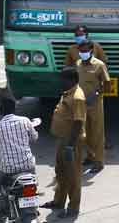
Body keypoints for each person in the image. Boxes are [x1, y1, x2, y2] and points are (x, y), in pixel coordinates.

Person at [41, 67, 86, 219]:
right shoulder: (68, 92)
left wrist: (70, 145)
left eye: (63, 79)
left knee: (73, 176)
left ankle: (73, 208)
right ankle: (58, 201)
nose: (60, 81)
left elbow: (79, 122)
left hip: (71, 141)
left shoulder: (77, 97)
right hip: (62, 139)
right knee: (60, 172)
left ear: (72, 80)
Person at [0, 98, 37, 200]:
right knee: (33, 181)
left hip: (7, 168)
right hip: (28, 165)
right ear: (14, 108)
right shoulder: (25, 121)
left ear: (0, 111)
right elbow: (34, 137)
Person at [76, 40, 110, 173]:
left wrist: (95, 94)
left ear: (91, 51)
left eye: (85, 51)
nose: (83, 53)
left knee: (97, 133)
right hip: (81, 104)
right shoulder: (78, 64)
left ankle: (99, 161)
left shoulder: (99, 65)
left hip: (95, 104)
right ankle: (90, 156)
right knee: (85, 133)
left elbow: (107, 85)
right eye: (81, 51)